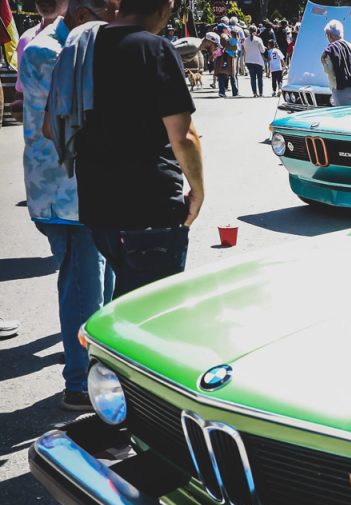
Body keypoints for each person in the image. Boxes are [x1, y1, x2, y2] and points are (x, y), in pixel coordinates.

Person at [65, 0, 204, 299]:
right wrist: (198, 191)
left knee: (126, 302)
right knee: (155, 312)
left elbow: (53, 128)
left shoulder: (81, 49)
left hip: (98, 206)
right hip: (150, 207)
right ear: (166, 7)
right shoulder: (156, 49)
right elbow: (183, 136)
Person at [23, 0, 116, 410]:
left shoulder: (78, 42)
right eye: (110, 15)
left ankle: (100, 373)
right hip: (66, 192)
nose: (116, 23)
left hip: (92, 187)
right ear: (83, 14)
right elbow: (70, 118)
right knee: (83, 290)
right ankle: (79, 384)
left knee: (104, 285)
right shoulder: (49, 50)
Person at [321, 20, 351, 107]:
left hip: (341, 90)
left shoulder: (332, 49)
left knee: (343, 117)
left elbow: (329, 70)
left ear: (329, 35)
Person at [242, 25, 266, 96]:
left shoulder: (245, 40)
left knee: (252, 78)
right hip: (258, 60)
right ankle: (261, 93)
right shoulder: (258, 40)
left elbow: (246, 50)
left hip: (249, 60)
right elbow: (263, 51)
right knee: (259, 78)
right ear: (255, 31)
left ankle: (254, 93)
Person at [216, 22, 238, 96]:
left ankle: (222, 92)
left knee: (222, 75)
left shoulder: (220, 35)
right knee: (231, 75)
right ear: (223, 29)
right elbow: (227, 45)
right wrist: (235, 47)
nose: (227, 29)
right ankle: (234, 92)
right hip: (226, 59)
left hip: (222, 58)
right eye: (226, 28)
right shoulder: (224, 36)